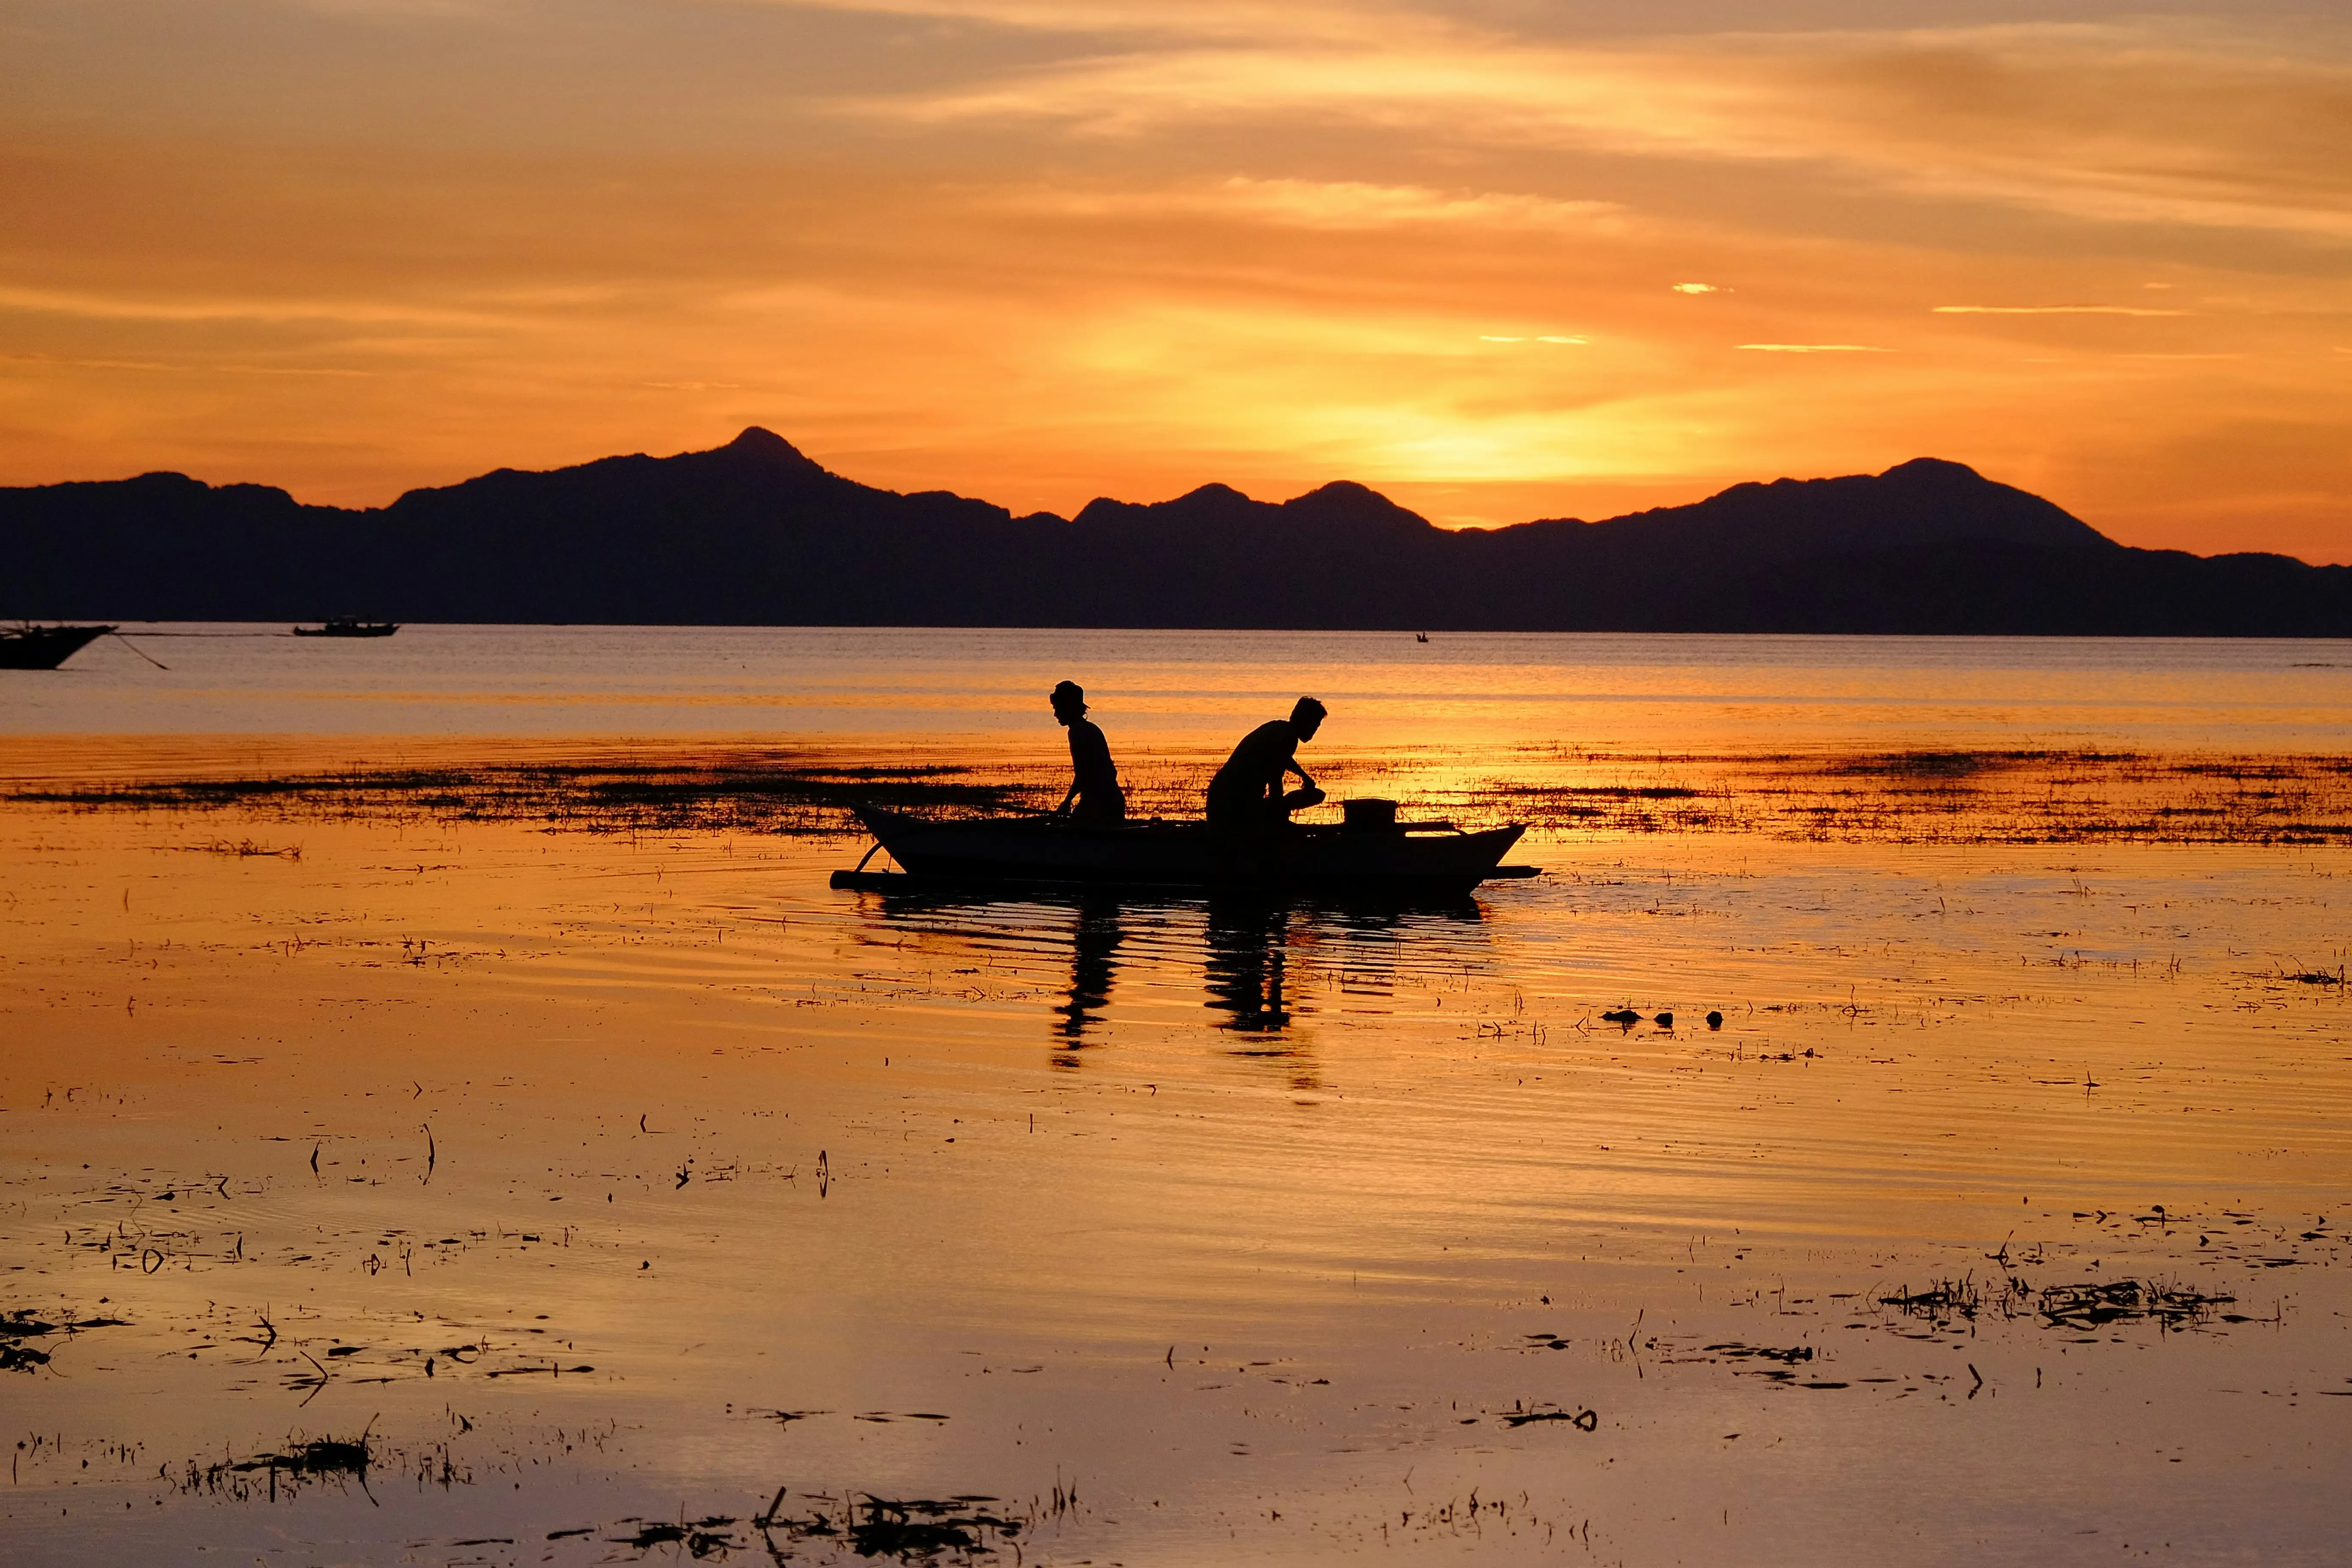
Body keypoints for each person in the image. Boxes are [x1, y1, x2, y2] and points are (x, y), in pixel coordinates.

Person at [1206, 696, 1326, 831]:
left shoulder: (1278, 728)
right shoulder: (1287, 736)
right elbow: (1275, 776)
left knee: (1313, 796)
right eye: (1315, 725)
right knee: (1314, 797)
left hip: (1221, 797)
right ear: (1305, 721)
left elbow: (1282, 758)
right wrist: (1280, 813)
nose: (1315, 730)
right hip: (1232, 804)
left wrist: (1304, 776)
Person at [1050, 680, 1126, 824]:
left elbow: (1083, 773)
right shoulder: (1091, 728)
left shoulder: (1078, 732)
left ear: (1068, 708)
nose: (1055, 714)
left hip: (1099, 804)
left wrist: (1067, 802)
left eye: (1058, 708)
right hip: (1113, 800)